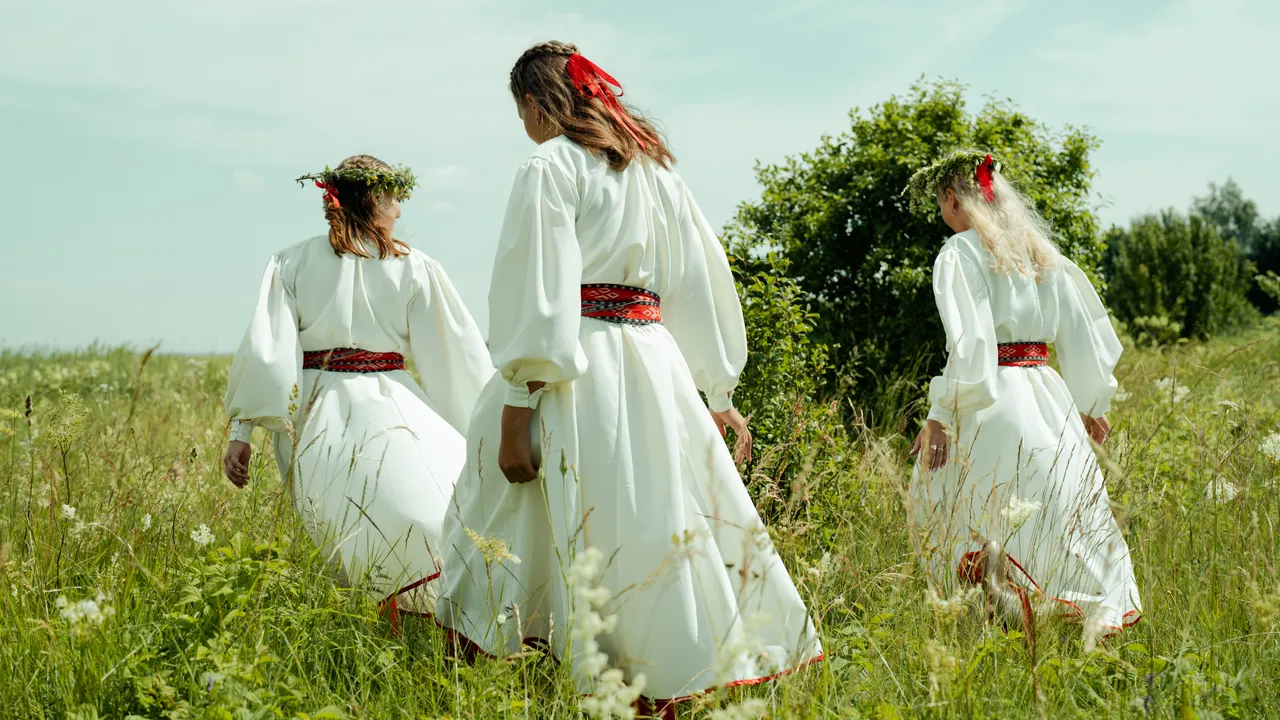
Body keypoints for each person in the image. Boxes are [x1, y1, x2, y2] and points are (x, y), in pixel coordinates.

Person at [434, 42, 822, 712]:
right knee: (648, 517)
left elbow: (539, 291)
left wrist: (520, 401)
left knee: (521, 510)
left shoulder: (549, 166)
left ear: (535, 103)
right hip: (652, 361)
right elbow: (697, 285)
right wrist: (715, 388)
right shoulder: (657, 174)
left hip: (574, 368)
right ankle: (659, 663)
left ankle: (537, 663)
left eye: (521, 109)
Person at [222, 155, 493, 621]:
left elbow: (267, 351)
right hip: (387, 400)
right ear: (371, 199)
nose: (400, 211)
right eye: (394, 198)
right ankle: (390, 621)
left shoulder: (292, 261)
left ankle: (390, 618)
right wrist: (489, 429)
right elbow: (456, 357)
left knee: (357, 526)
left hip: (312, 413)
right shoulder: (413, 266)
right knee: (423, 506)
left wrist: (242, 430)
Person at [904, 150, 1142, 637]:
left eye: (940, 203)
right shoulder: (1037, 251)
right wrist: (1093, 402)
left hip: (992, 398)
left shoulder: (959, 252)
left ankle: (992, 618)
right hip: (1045, 394)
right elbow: (1083, 330)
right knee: (1056, 509)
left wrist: (939, 413)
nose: (940, 213)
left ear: (953, 199)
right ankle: (1071, 614)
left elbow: (969, 345)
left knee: (945, 499)